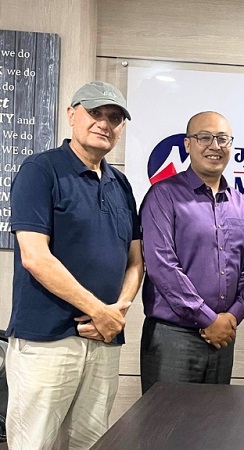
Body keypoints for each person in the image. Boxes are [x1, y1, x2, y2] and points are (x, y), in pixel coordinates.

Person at [7, 81, 143, 449]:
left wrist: (117, 312)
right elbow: (35, 256)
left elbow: (135, 261)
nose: (104, 123)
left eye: (114, 118)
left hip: (104, 339)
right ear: (71, 115)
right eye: (95, 113)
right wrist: (99, 311)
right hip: (47, 340)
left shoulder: (120, 184)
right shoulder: (40, 170)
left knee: (92, 442)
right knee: (35, 442)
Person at [139, 111, 244, 394]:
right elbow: (161, 265)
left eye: (222, 139)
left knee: (214, 420)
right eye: (204, 137)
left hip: (223, 337)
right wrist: (208, 318)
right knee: (167, 420)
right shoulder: (164, 195)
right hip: (173, 337)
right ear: (187, 144)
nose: (214, 146)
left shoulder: (240, 203)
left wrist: (232, 317)